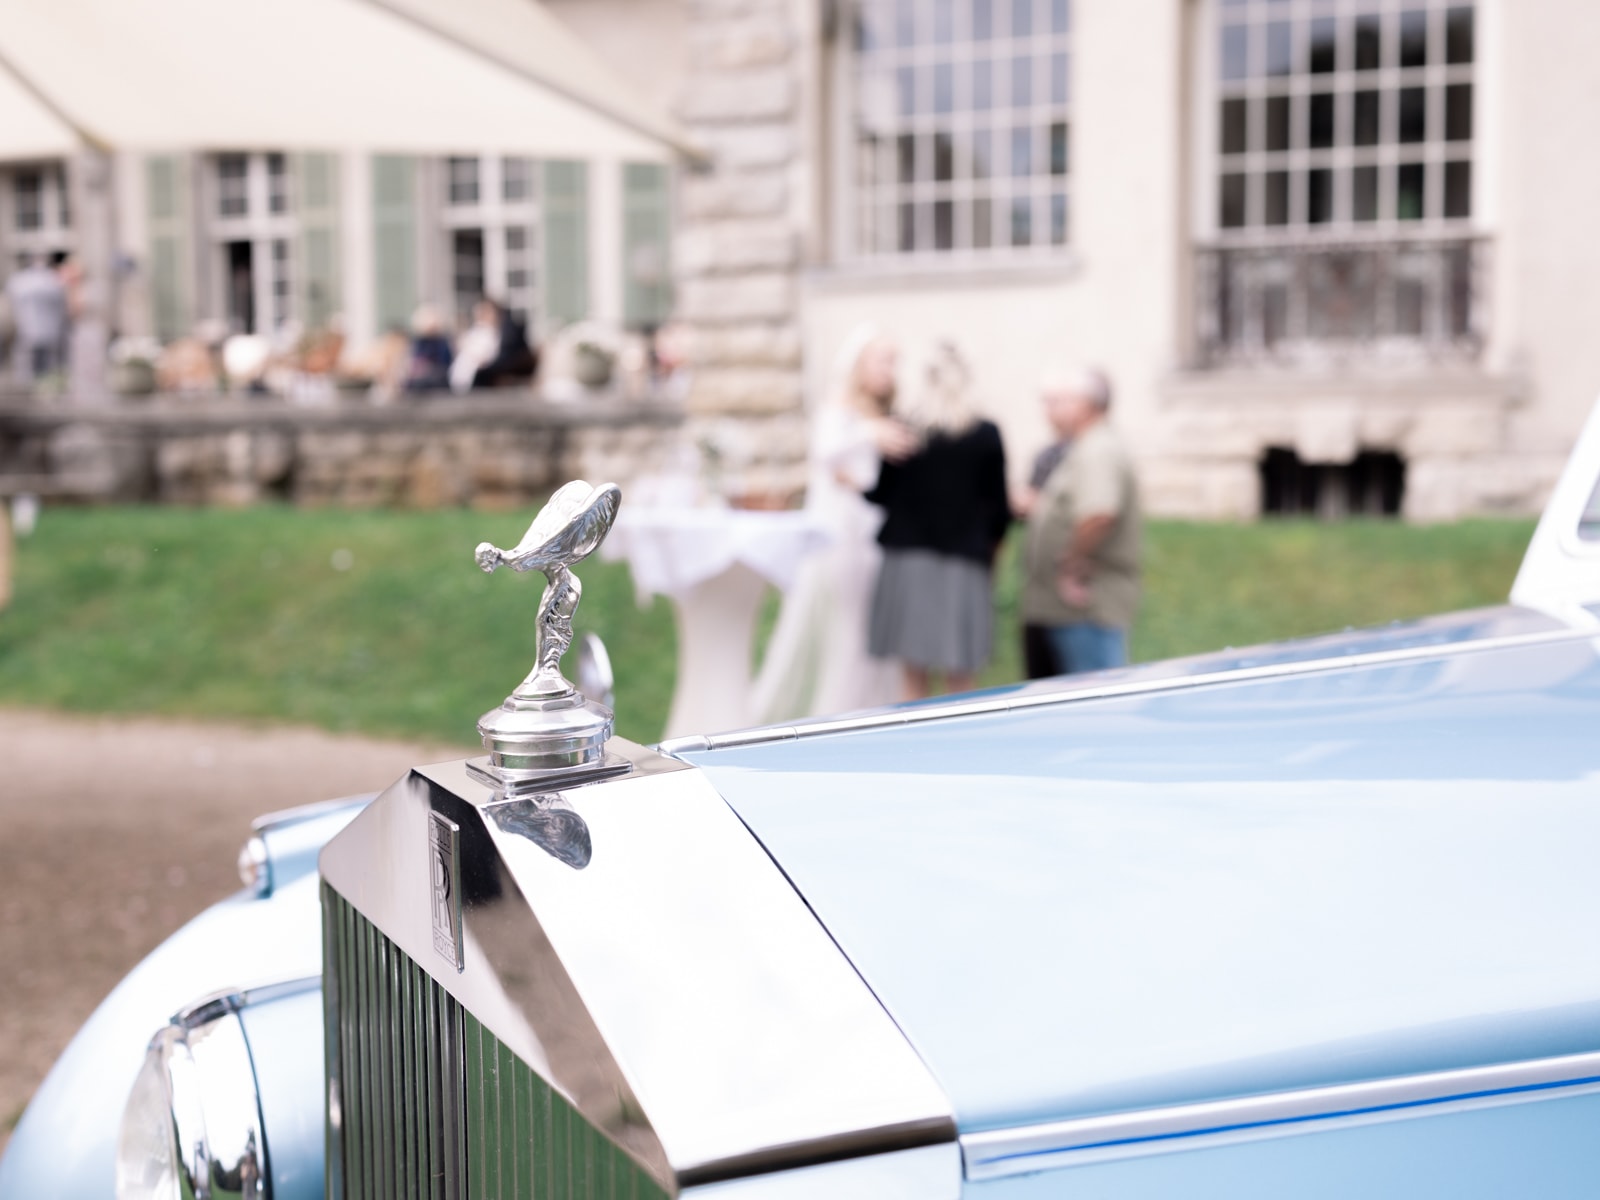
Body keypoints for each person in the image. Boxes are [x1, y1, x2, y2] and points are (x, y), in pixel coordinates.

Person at [749, 325, 914, 722]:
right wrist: (868, 434)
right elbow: (826, 455)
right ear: (859, 365)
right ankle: (844, 715)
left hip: (879, 536)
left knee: (878, 632)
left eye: (894, 362)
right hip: (844, 538)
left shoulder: (886, 414)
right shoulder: (840, 410)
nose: (890, 370)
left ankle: (879, 709)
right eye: (882, 360)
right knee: (852, 629)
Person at [865, 340, 1011, 700]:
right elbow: (999, 509)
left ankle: (912, 752)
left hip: (908, 563)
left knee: (912, 677)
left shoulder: (903, 430)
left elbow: (882, 495)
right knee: (961, 680)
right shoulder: (986, 434)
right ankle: (960, 753)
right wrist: (992, 553)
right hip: (964, 564)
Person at [1020, 367, 1142, 675]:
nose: (1054, 409)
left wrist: (1071, 565)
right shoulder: (1086, 446)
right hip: (1070, 613)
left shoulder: (1098, 449)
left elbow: (1099, 514)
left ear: (1087, 405)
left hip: (1086, 610)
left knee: (1094, 706)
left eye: (1064, 400)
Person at [1015, 369, 1084, 678]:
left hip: (1073, 589)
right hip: (1039, 587)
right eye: (1046, 402)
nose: (1051, 410)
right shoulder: (1045, 455)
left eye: (1058, 401)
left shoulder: (1087, 453)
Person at [5, 255, 67, 391]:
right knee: (32, 358)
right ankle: (33, 383)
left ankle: (39, 383)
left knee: (43, 358)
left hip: (41, 327)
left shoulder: (47, 279)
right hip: (33, 326)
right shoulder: (50, 280)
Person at [404, 304, 454, 393]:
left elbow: (445, 363)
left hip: (437, 378)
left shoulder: (442, 343)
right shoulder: (418, 343)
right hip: (420, 379)